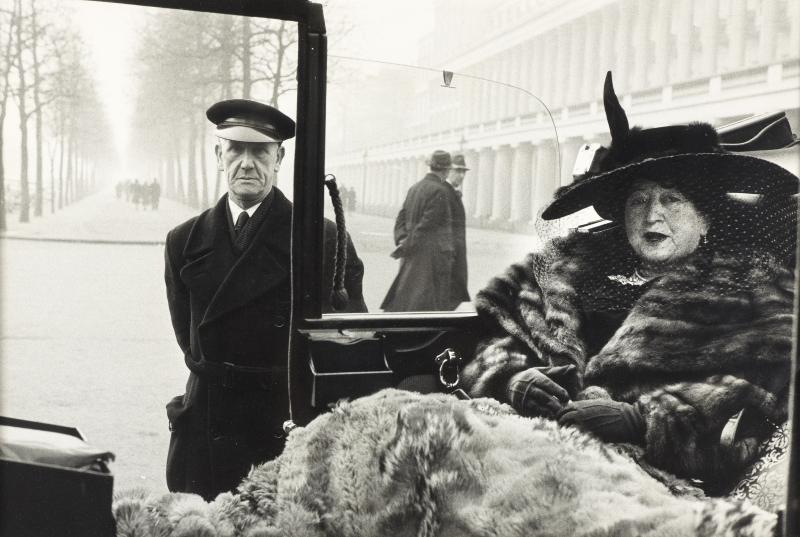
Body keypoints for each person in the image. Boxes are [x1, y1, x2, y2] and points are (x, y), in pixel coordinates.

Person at [462, 72, 798, 494]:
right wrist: (514, 380)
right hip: (532, 451)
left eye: (672, 200)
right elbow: (493, 340)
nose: (651, 215)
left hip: (654, 483)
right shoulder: (559, 272)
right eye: (638, 200)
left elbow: (770, 388)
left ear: (706, 217)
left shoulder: (753, 285)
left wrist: (642, 421)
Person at [164, 98, 367, 500]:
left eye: (260, 151)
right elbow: (189, 340)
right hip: (205, 427)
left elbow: (349, 344)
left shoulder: (321, 241)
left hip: (281, 430)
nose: (246, 163)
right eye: (236, 149)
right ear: (218, 155)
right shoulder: (183, 241)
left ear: (279, 158)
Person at [381, 150, 455, 311]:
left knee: (405, 296)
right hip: (428, 256)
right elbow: (427, 225)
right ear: (446, 170)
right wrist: (408, 243)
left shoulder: (414, 188)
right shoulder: (440, 191)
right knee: (423, 302)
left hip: (409, 253)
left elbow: (401, 217)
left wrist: (402, 239)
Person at [444, 154, 470, 308]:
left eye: (463, 172)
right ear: (448, 170)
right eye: (457, 171)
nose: (461, 175)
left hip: (457, 254)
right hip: (450, 255)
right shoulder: (444, 193)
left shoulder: (452, 192)